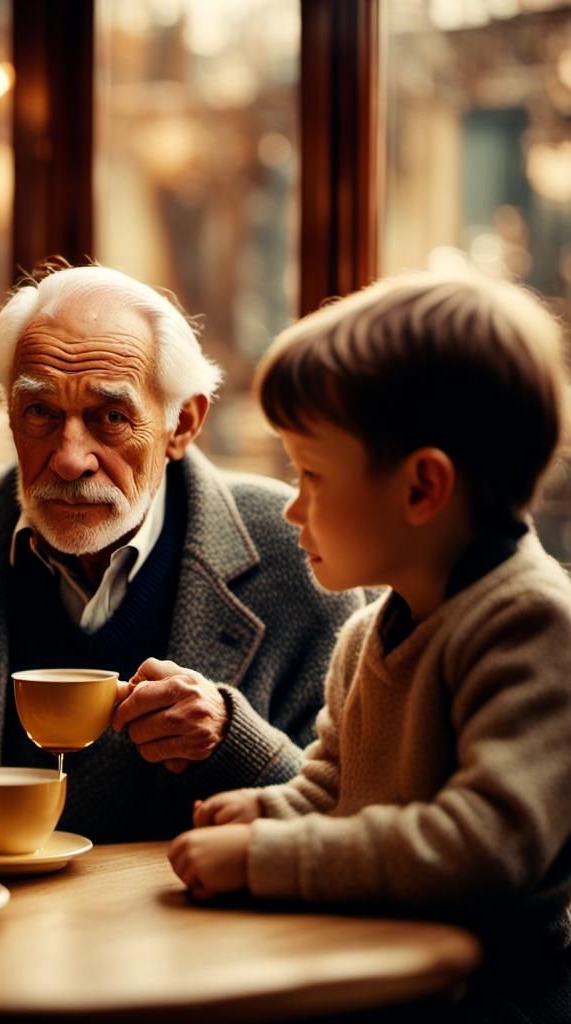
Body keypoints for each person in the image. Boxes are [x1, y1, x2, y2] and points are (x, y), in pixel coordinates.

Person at [0, 262, 363, 844]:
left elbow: (356, 826)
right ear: (7, 413)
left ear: (181, 424)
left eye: (110, 418)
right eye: (40, 413)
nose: (68, 458)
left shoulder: (300, 553)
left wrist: (231, 738)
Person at [168, 271, 571, 1022]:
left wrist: (268, 859)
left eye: (312, 474)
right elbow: (333, 793)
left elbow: (483, 849)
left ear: (422, 489)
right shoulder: (366, 633)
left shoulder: (532, 627)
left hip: (493, 1001)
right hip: (376, 975)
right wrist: (266, 814)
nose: (291, 505)